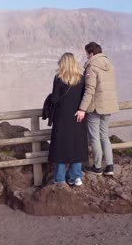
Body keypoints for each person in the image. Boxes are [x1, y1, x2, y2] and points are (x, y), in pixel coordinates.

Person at [75, 42, 119, 176]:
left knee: (94, 138)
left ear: (91, 53)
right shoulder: (109, 65)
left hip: (95, 107)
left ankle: (97, 167)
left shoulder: (92, 67)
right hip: (108, 106)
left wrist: (82, 109)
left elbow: (90, 90)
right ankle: (110, 167)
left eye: (87, 54)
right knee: (104, 136)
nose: (86, 57)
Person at [48, 52, 88, 186]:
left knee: (60, 146)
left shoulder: (58, 78)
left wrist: (50, 98)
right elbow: (84, 97)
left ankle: (60, 179)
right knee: (76, 145)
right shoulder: (81, 79)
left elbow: (54, 98)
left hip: (62, 118)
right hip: (78, 118)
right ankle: (75, 177)